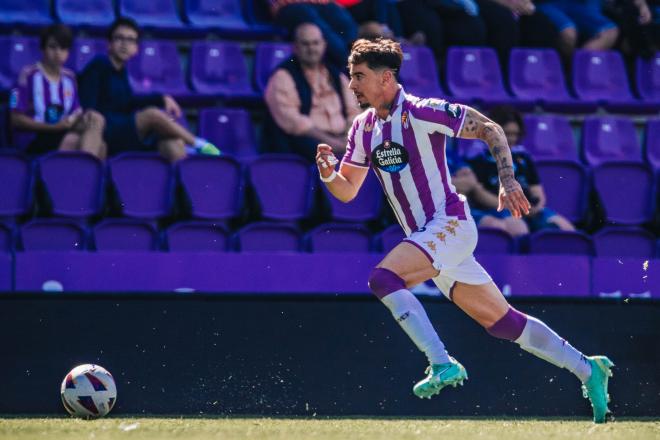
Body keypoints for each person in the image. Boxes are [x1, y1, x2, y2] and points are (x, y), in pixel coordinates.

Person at [316, 38, 613, 423]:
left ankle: (441, 362)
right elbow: (347, 190)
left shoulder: (422, 111)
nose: (352, 84)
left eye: (359, 76)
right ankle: (589, 369)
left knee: (384, 278)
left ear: (387, 78)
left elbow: (490, 128)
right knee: (504, 323)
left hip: (450, 225)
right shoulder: (362, 127)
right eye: (351, 76)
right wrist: (327, 173)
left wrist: (507, 179)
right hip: (429, 240)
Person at [78, 17, 219, 162]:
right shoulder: (98, 65)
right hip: (105, 130)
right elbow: (89, 109)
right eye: (119, 38)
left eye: (130, 40)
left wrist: (161, 98)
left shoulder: (121, 71)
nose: (124, 44)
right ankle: (199, 144)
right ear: (109, 44)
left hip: (123, 130)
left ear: (136, 49)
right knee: (152, 115)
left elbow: (128, 102)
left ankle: (183, 180)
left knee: (171, 142)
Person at [467, 105, 575, 234]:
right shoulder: (478, 157)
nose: (512, 139)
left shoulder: (523, 157)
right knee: (519, 229)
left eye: (515, 134)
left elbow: (537, 191)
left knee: (566, 229)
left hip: (527, 209)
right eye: (506, 133)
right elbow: (478, 194)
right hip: (496, 209)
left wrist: (535, 206)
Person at [264, 23, 360, 162]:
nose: (311, 49)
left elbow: (353, 111)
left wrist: (347, 137)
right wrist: (333, 143)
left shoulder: (336, 75)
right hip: (306, 140)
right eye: (305, 44)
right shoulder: (283, 76)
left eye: (315, 43)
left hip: (341, 138)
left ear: (324, 45)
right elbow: (294, 122)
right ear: (295, 47)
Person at [10, 24, 106, 159]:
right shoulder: (25, 75)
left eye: (63, 48)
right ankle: (85, 175)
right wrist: (54, 127)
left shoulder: (70, 78)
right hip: (35, 136)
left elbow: (76, 111)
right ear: (42, 48)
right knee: (84, 143)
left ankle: (83, 175)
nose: (58, 53)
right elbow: (15, 119)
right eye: (52, 47)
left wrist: (80, 116)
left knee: (96, 119)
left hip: (63, 130)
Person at [268, 0, 358, 69]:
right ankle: (347, 64)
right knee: (320, 28)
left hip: (319, 3)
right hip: (287, 5)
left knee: (345, 21)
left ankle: (350, 64)